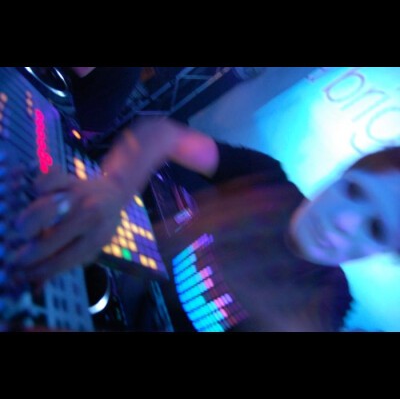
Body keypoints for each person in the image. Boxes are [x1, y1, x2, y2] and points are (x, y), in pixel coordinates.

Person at [6, 67, 398, 330]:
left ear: (388, 253)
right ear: (340, 175)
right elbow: (161, 134)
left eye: (377, 228)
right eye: (354, 190)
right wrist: (112, 189)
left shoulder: (330, 304)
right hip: (96, 274)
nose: (344, 221)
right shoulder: (268, 179)